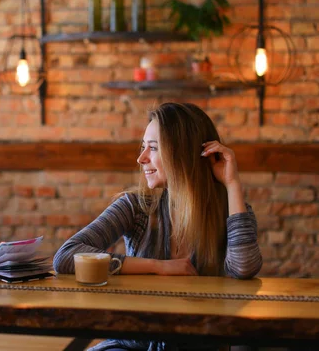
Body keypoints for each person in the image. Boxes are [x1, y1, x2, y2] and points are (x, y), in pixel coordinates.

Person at [53, 102, 263, 351]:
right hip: (131, 345)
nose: (141, 158)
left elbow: (244, 268)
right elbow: (66, 257)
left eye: (152, 148)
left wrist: (232, 183)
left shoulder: (228, 210)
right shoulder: (137, 206)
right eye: (143, 147)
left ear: (182, 154)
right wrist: (158, 267)